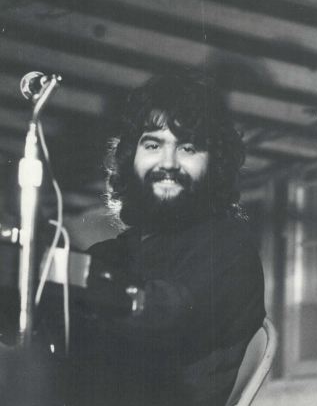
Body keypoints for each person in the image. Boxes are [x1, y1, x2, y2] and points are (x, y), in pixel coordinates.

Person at [66, 72, 266, 406]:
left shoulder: (229, 246)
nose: (168, 163)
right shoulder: (117, 251)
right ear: (131, 156)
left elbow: (163, 315)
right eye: (153, 145)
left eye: (188, 147)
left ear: (215, 164)